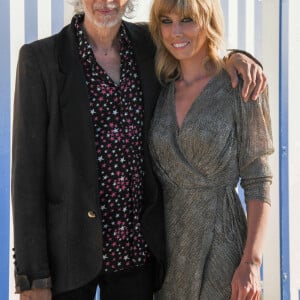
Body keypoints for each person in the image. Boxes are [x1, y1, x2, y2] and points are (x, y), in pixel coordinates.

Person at [11, 0, 267, 299]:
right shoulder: (41, 59)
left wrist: (236, 57)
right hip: (69, 257)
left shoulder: (150, 44)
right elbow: (26, 177)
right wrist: (33, 278)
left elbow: (195, 44)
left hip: (139, 257)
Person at [148, 0, 274, 299]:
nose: (175, 31)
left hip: (223, 247)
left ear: (209, 21)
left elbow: (258, 180)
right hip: (167, 254)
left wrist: (251, 264)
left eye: (188, 20)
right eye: (166, 21)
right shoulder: (159, 86)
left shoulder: (240, 84)